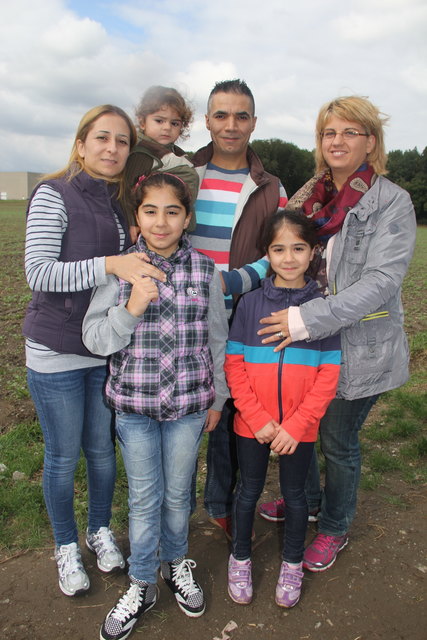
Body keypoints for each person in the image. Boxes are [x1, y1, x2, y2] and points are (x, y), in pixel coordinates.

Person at [257, 95, 416, 571]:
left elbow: (381, 283)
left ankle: (334, 526)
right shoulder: (309, 196)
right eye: (330, 132)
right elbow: (284, 252)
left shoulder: (392, 201)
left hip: (356, 345)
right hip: (306, 341)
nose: (338, 141)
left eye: (350, 132)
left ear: (371, 140)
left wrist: (305, 320)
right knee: (301, 429)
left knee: (337, 441)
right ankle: (303, 503)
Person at [23, 104, 166, 597]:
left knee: (103, 455)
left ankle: (99, 529)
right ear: (81, 143)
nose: (112, 148)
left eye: (122, 141)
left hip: (104, 351)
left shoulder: (118, 201)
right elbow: (38, 272)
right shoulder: (53, 193)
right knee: (63, 458)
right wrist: (111, 263)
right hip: (57, 350)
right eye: (102, 138)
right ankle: (66, 546)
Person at [82, 172, 229, 640]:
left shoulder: (205, 271)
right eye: (150, 211)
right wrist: (131, 309)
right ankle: (142, 581)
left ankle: (175, 563)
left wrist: (217, 398)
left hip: (188, 407)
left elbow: (217, 341)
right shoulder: (121, 270)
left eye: (172, 211)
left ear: (188, 218)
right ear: (137, 217)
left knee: (178, 495)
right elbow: (95, 337)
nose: (161, 222)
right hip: (135, 409)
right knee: (146, 498)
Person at [224, 210, 341, 608]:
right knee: (248, 493)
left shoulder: (324, 309)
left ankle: (291, 564)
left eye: (298, 248)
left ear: (313, 253)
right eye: (278, 249)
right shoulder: (248, 304)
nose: (288, 258)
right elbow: (234, 365)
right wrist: (256, 418)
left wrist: (298, 423)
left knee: (295, 498)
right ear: (266, 254)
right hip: (251, 425)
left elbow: (329, 374)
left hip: (299, 428)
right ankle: (240, 557)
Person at [190, 79, 288, 538]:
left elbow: (279, 251)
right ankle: (173, 507)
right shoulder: (179, 172)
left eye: (241, 116)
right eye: (222, 115)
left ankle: (221, 503)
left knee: (230, 414)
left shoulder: (269, 187)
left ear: (254, 122)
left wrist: (230, 282)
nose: (231, 126)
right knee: (184, 412)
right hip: (180, 317)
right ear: (207, 120)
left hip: (238, 314)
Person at [124, 85, 199, 238]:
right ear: (142, 122)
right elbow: (126, 189)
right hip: (145, 232)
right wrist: (132, 222)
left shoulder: (177, 154)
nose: (167, 128)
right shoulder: (140, 153)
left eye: (174, 123)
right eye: (159, 121)